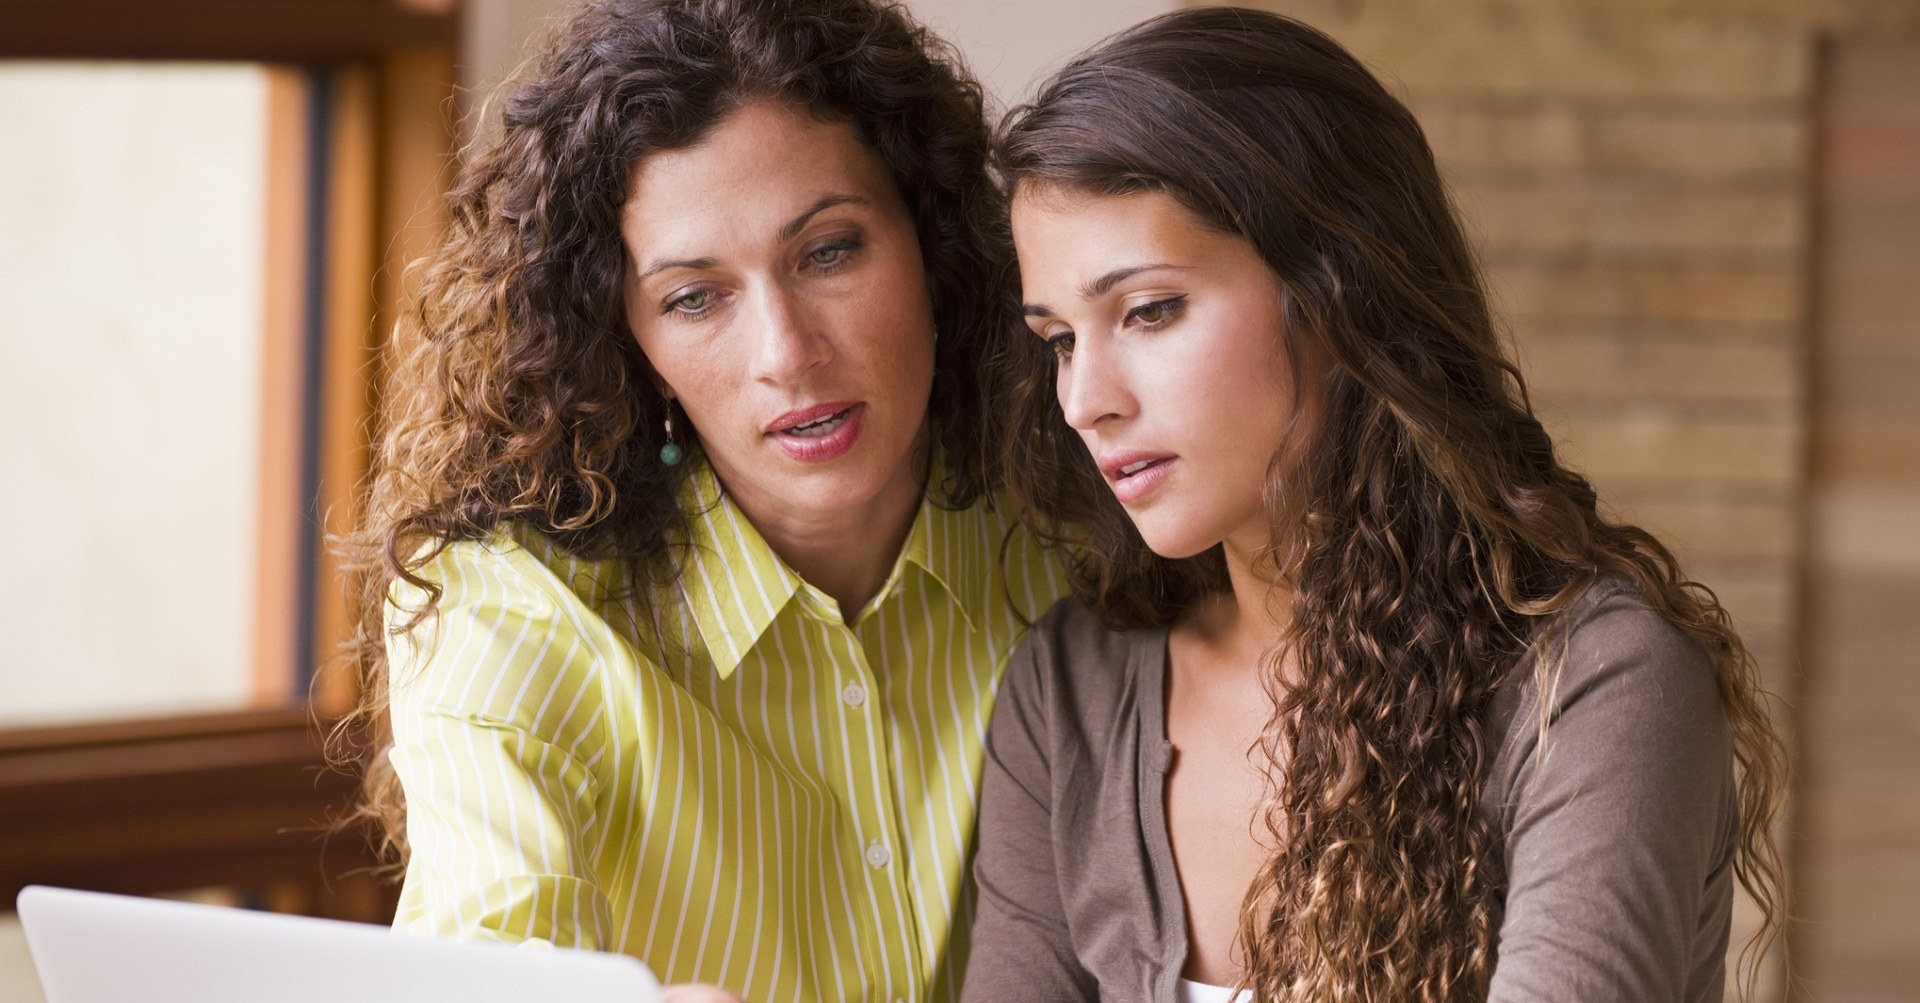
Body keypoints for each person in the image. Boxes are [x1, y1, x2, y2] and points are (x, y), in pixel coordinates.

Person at [964, 8, 1789, 1001]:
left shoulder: (1595, 681)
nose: (1086, 400)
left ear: (1337, 293)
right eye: (1058, 339)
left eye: (1148, 310)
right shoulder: (1072, 693)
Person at [338, 1, 1066, 999]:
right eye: (694, 297)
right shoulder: (511, 604)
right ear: (623, 342)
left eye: (830, 251)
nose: (787, 353)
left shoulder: (1070, 528)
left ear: (935, 242)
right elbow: (489, 947)